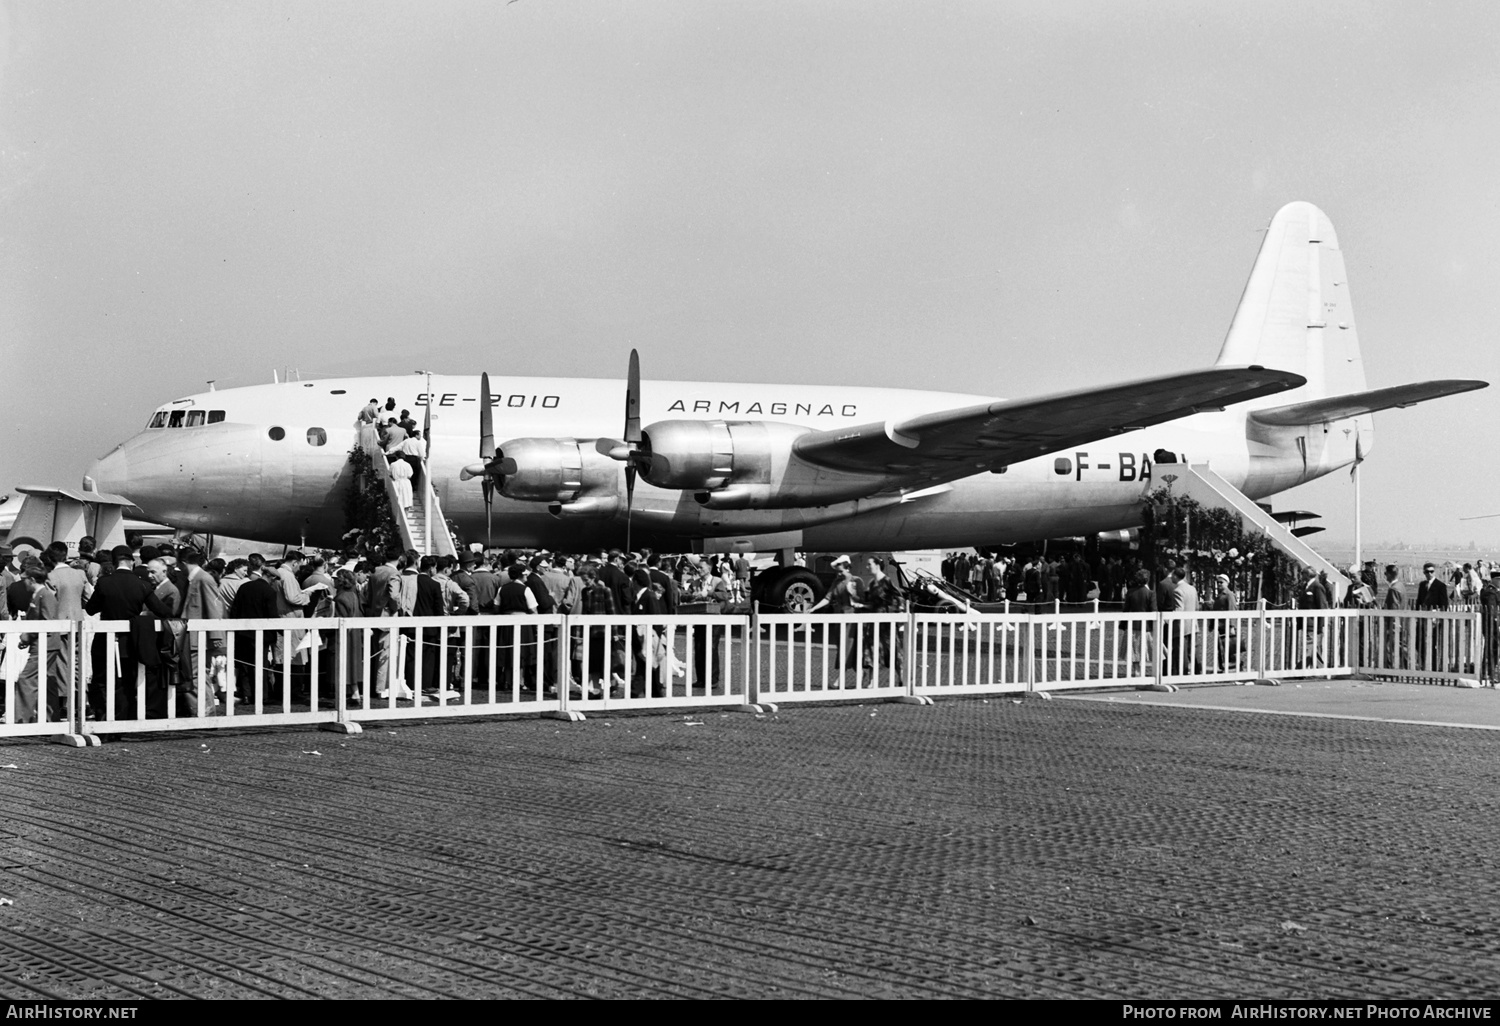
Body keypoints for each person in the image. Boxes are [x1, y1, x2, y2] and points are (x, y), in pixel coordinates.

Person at [84, 546, 175, 722]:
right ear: (132, 562)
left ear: (114, 562)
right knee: (126, 682)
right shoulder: (142, 584)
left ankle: (104, 719)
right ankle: (123, 719)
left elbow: (90, 609)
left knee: (102, 681)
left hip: (104, 641)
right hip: (130, 642)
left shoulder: (104, 582)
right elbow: (163, 611)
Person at [11, 558, 70, 725]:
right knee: (48, 680)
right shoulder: (40, 595)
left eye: (25, 580)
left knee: (26, 678)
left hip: (45, 645)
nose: (23, 582)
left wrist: (27, 636)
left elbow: (47, 622)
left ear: (31, 579)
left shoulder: (45, 595)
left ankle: (23, 719)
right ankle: (51, 718)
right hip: (46, 644)